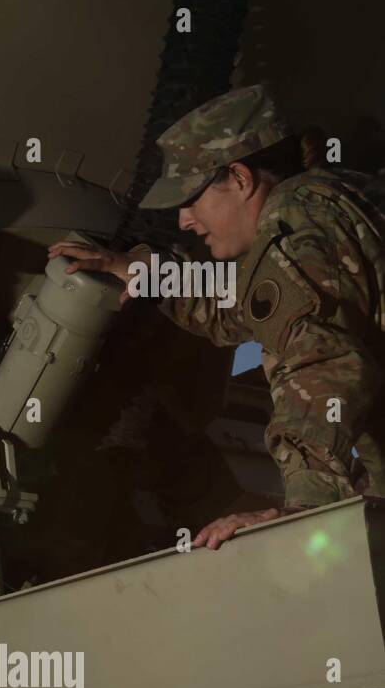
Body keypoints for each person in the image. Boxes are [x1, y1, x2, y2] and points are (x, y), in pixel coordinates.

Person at [49, 84, 385, 549]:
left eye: (191, 199)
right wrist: (150, 273)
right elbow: (245, 307)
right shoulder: (338, 199)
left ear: (241, 178)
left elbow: (321, 360)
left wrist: (308, 508)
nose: (185, 220)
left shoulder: (290, 219)